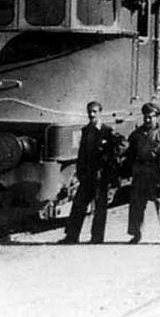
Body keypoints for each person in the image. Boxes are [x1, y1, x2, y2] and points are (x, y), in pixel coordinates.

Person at [60, 101, 126, 244]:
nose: (91, 114)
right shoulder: (85, 131)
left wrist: (110, 157)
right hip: (87, 175)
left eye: (95, 112)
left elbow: (123, 143)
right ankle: (71, 236)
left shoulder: (107, 131)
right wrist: (80, 171)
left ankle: (97, 238)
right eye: (89, 111)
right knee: (78, 205)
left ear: (100, 113)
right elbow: (82, 153)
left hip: (101, 175)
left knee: (100, 207)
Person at [126, 102, 160, 244]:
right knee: (136, 205)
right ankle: (136, 234)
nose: (147, 120)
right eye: (145, 117)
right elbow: (130, 153)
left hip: (156, 174)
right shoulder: (137, 134)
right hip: (140, 174)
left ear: (157, 117)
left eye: (150, 117)